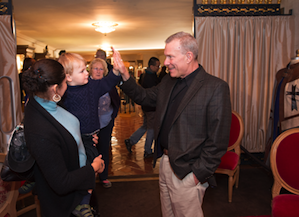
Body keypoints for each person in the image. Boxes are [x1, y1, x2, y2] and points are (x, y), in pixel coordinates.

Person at [116, 32, 232, 217]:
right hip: (165, 163)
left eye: (170, 57)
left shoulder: (215, 87)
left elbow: (218, 140)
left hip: (188, 170)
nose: (166, 62)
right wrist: (124, 74)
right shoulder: (169, 82)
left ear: (188, 56)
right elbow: (144, 97)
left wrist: (197, 175)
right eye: (165, 57)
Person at [22, 58, 105, 216]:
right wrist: (93, 168)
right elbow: (62, 182)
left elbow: (63, 133)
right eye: (65, 81)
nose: (67, 84)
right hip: (65, 205)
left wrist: (84, 139)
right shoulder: (40, 129)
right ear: (55, 88)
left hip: (78, 183)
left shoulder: (48, 102)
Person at [89, 57, 120, 188]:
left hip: (106, 121)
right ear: (90, 70)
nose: (98, 71)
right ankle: (89, 178)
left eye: (101, 69)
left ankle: (104, 176)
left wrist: (113, 116)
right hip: (90, 124)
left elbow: (116, 100)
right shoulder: (85, 85)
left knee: (104, 148)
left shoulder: (108, 85)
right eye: (96, 68)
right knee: (90, 150)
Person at [124, 57, 161, 158]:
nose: (159, 68)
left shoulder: (145, 75)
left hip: (146, 106)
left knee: (146, 126)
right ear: (151, 66)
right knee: (151, 128)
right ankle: (148, 151)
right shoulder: (151, 78)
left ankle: (131, 141)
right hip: (151, 107)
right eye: (157, 66)